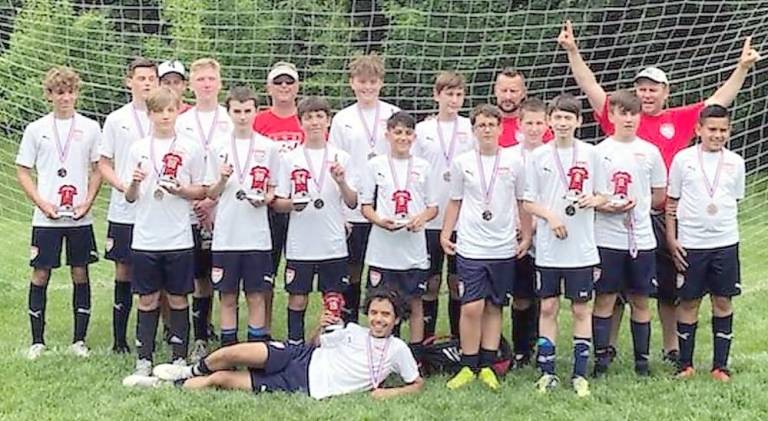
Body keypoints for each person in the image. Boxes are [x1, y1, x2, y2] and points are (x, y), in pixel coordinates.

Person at [558, 19, 760, 361]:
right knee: (614, 290)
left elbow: (719, 102)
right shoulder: (620, 116)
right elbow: (588, 84)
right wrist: (573, 51)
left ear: (666, 92)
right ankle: (610, 350)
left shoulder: (680, 119)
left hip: (661, 216)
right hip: (615, 216)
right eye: (642, 89)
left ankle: (670, 348)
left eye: (654, 89)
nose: (647, 95)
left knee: (667, 289)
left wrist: (741, 68)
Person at [145, 287, 425, 400]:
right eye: (374, 312)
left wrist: (390, 394)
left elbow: (417, 384)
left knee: (222, 379)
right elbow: (315, 343)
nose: (378, 319)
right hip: (299, 355)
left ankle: (164, 385)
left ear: (397, 318)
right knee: (235, 351)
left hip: (304, 383)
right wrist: (321, 325)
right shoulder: (352, 329)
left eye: (385, 314)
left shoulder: (398, 349)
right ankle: (188, 371)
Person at [522, 94, 607, 397]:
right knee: (548, 306)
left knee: (581, 308)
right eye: (557, 117)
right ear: (549, 121)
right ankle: (547, 372)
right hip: (549, 247)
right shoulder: (538, 157)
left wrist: (593, 199)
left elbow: (604, 195)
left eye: (568, 118)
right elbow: (528, 201)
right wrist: (550, 216)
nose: (562, 123)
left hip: (581, 248)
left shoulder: (591, 154)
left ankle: (580, 375)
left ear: (578, 122)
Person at [121, 87, 207, 386]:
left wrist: (182, 191)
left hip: (179, 237)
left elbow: (203, 189)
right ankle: (144, 360)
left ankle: (179, 359)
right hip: (145, 238)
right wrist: (133, 184)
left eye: (170, 110)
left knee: (179, 298)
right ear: (151, 114)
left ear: (178, 111)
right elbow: (130, 197)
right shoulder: (138, 148)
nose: (165, 116)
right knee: (147, 300)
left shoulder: (191, 148)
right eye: (159, 111)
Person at [441, 104, 530, 390]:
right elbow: (455, 200)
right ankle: (468, 364)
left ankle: (488, 364)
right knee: (471, 306)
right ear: (474, 130)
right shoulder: (462, 162)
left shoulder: (515, 162)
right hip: (471, 246)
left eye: (492, 124)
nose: (487, 130)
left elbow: (522, 202)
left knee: (494, 305)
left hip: (503, 247)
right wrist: (446, 233)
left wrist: (526, 235)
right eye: (481, 125)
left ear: (501, 128)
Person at [16, 66, 102, 360]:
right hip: (47, 217)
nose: (65, 97)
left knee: (80, 272)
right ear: (49, 95)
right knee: (41, 273)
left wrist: (88, 201)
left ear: (77, 93)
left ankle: (79, 340)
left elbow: (97, 169)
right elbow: (22, 171)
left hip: (79, 216)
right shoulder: (36, 129)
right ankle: (37, 341)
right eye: (59, 92)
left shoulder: (91, 128)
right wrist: (42, 202)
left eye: (70, 92)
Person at [666, 105, 744, 382]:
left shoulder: (736, 162)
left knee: (722, 301)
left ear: (729, 131)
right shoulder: (683, 160)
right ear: (699, 130)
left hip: (725, 243)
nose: (718, 134)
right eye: (712, 129)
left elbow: (733, 201)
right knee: (688, 301)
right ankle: (685, 364)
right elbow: (672, 203)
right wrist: (672, 239)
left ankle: (720, 366)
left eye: (723, 130)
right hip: (691, 244)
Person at [592, 91, 666, 377]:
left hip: (641, 239)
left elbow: (659, 193)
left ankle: (642, 363)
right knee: (605, 298)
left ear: (639, 117)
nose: (628, 118)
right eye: (622, 113)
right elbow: (593, 194)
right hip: (606, 238)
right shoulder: (599, 152)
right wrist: (609, 207)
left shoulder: (650, 151)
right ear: (611, 115)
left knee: (640, 299)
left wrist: (639, 206)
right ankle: (600, 360)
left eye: (633, 113)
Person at [273, 96, 357, 345]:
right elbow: (278, 202)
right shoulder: (290, 159)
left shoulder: (342, 158)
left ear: (328, 120)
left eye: (320, 116)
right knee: (297, 298)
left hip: (332, 242)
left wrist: (341, 181)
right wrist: (293, 204)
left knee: (333, 300)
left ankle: (332, 349)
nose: (314, 122)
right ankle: (295, 347)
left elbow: (352, 202)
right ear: (301, 122)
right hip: (301, 243)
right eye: (309, 118)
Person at [328, 53, 400, 324]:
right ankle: (349, 327)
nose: (367, 87)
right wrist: (342, 214)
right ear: (352, 83)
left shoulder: (392, 113)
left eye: (373, 81)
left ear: (381, 83)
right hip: (354, 206)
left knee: (383, 269)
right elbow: (335, 164)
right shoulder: (342, 118)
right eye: (362, 81)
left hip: (385, 207)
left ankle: (384, 330)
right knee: (354, 269)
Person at [205, 86, 279, 346]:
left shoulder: (269, 147)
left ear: (256, 111)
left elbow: (273, 190)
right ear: (229, 113)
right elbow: (211, 192)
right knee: (226, 296)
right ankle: (228, 351)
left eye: (248, 111)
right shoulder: (217, 147)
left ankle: (255, 351)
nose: (243, 117)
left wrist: (265, 199)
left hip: (256, 236)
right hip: (226, 235)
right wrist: (222, 179)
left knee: (256, 295)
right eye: (237, 111)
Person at [360, 111, 438, 357]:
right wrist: (379, 221)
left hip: (412, 250)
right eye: (398, 132)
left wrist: (420, 219)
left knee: (415, 302)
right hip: (383, 250)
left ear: (414, 136)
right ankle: (379, 355)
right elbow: (365, 206)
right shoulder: (375, 165)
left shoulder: (424, 167)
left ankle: (415, 357)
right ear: (388, 135)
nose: (402, 137)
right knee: (381, 304)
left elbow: (433, 207)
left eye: (407, 133)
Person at [175, 58, 234, 360]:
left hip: (224, 207)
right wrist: (196, 197)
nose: (207, 84)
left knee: (221, 274)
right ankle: (200, 336)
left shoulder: (230, 118)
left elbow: (237, 161)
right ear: (192, 85)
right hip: (191, 206)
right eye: (201, 80)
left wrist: (213, 199)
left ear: (219, 83)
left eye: (212, 79)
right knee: (199, 276)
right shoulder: (181, 120)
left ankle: (227, 335)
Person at [99, 57, 158, 353]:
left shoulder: (166, 116)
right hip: (124, 210)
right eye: (141, 78)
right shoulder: (116, 119)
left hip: (159, 210)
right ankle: (119, 340)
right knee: (123, 270)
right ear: (129, 81)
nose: (146, 83)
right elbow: (103, 162)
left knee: (155, 272)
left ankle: (152, 336)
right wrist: (122, 185)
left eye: (151, 78)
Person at [412, 71, 475, 339]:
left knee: (458, 282)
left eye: (459, 94)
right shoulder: (422, 130)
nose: (454, 99)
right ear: (437, 95)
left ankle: (459, 340)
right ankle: (426, 341)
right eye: (449, 94)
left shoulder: (470, 128)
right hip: (430, 218)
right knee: (431, 282)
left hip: (462, 220)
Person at [252, 61, 305, 332]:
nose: (284, 87)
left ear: (297, 86)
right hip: (267, 207)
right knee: (266, 273)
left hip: (300, 207)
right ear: (268, 87)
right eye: (278, 82)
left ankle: (299, 333)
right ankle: (266, 329)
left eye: (289, 82)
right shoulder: (258, 121)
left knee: (301, 274)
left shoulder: (308, 118)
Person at [507, 98, 548, 367]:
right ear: (519, 125)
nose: (534, 128)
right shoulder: (508, 156)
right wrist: (519, 227)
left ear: (547, 125)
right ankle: (521, 349)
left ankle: (540, 345)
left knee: (545, 296)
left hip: (546, 233)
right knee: (521, 295)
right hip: (515, 233)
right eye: (528, 123)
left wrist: (536, 224)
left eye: (539, 123)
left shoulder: (553, 154)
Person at [494, 68, 553, 147]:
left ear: (523, 93)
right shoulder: (486, 124)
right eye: (503, 91)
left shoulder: (536, 125)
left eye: (513, 91)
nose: (508, 97)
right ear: (495, 91)